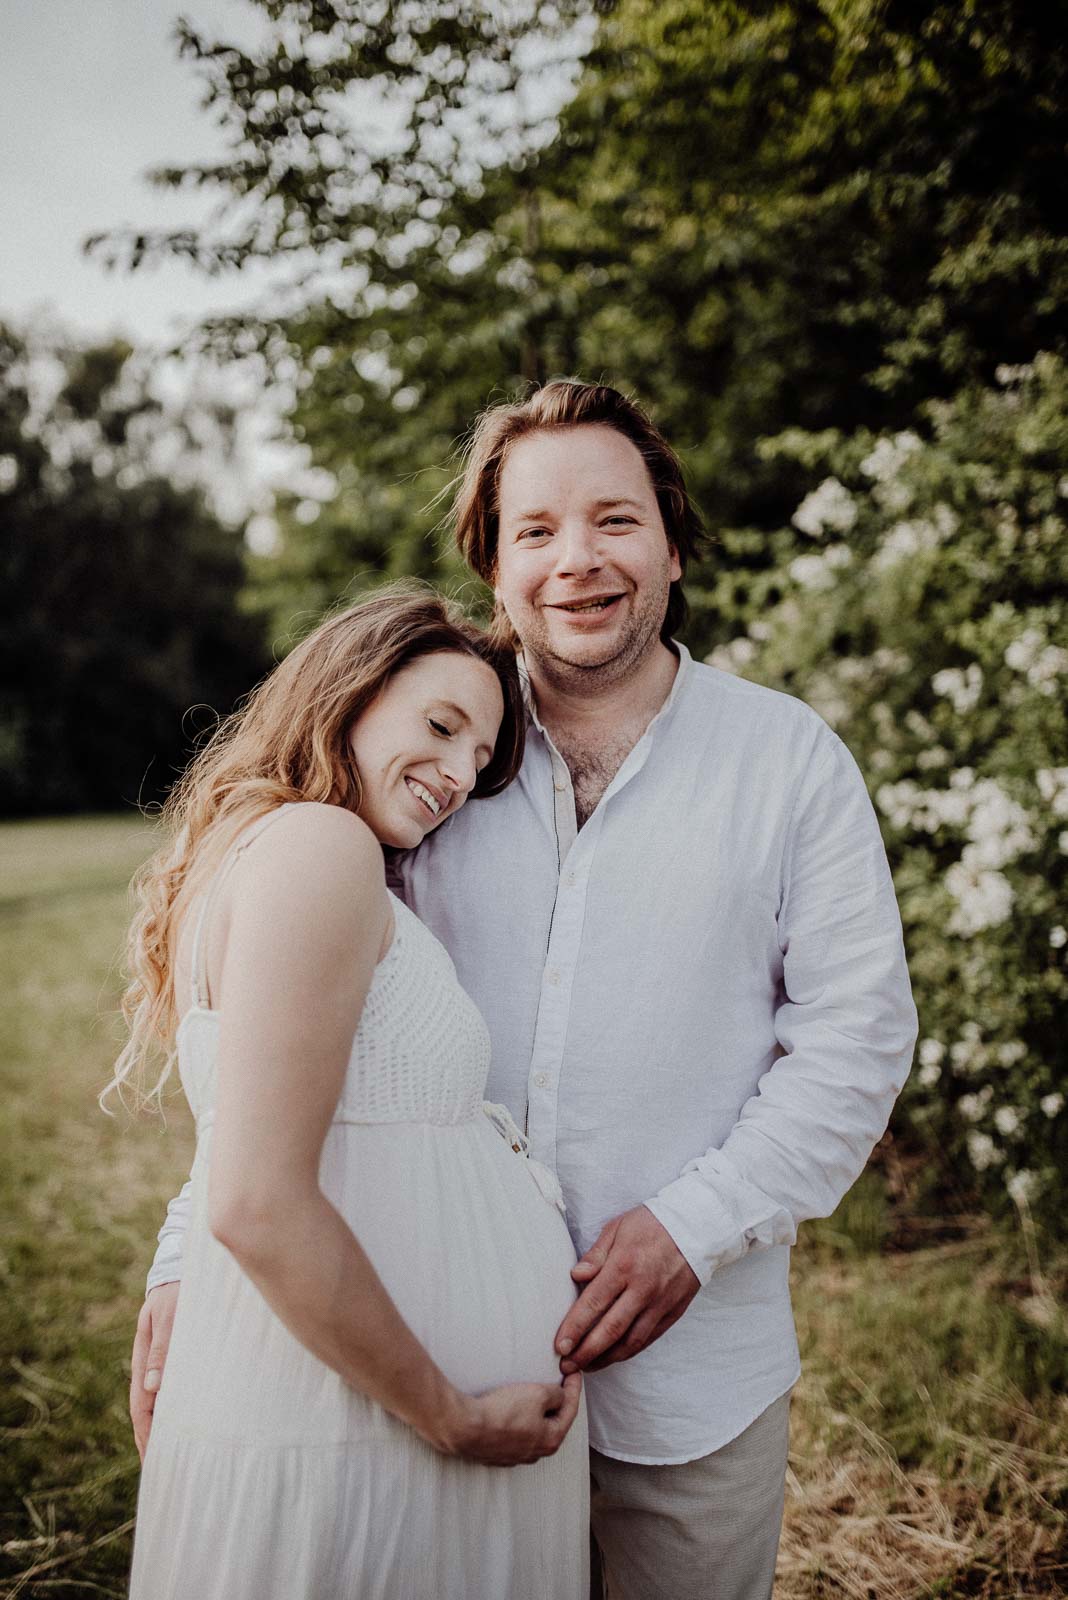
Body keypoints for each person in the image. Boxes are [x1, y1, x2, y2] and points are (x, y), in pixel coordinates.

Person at [134, 382, 919, 1600]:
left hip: (690, 1372)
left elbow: (856, 1042)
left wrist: (693, 1228)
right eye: (536, 531)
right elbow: (287, 1036)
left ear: (668, 539)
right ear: (493, 567)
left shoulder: (788, 761)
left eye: (615, 519)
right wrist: (191, 1250)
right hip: (435, 1360)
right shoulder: (435, 761)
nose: (578, 561)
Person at [112, 588, 589, 1600]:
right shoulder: (317, 848)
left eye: (480, 755)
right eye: (440, 725)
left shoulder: (265, 847)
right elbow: (257, 1197)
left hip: (340, 1412)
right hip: (361, 1429)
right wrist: (449, 1415)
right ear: (348, 690)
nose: (460, 774)